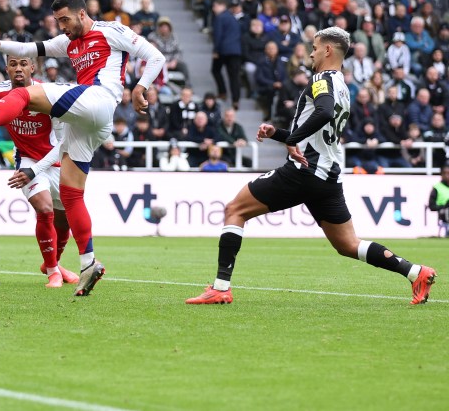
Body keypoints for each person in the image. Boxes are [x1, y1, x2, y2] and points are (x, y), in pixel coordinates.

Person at [186, 27, 438, 305]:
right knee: (348, 245)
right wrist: (278, 134)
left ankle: (221, 287)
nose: (311, 52)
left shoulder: (321, 79)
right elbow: (320, 128)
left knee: (234, 210)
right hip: (327, 177)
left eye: (315, 47)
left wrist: (291, 139)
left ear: (328, 50)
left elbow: (323, 112)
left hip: (303, 172)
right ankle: (416, 272)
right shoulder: (343, 86)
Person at [0, 0, 166, 296]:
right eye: (57, 20)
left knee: (22, 95)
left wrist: (140, 87)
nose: (61, 26)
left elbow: (156, 56)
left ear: (82, 13)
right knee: (72, 196)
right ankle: (89, 264)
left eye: (65, 19)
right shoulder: (66, 42)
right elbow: (29, 47)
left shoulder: (111, 31)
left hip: (99, 98)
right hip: (90, 123)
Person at [0, 56, 78, 288]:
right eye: (14, 64)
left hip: (56, 160)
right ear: (6, 68)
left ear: (32, 67)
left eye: (23, 64)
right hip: (26, 160)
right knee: (45, 209)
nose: (19, 68)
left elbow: (63, 143)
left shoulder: (48, 95)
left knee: (65, 218)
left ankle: (52, 263)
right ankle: (53, 273)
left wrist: (36, 169)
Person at [428, 165, 449, 237]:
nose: (447, 176)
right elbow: (431, 206)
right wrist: (444, 206)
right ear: (442, 175)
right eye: (445, 173)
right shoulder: (437, 188)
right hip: (443, 212)